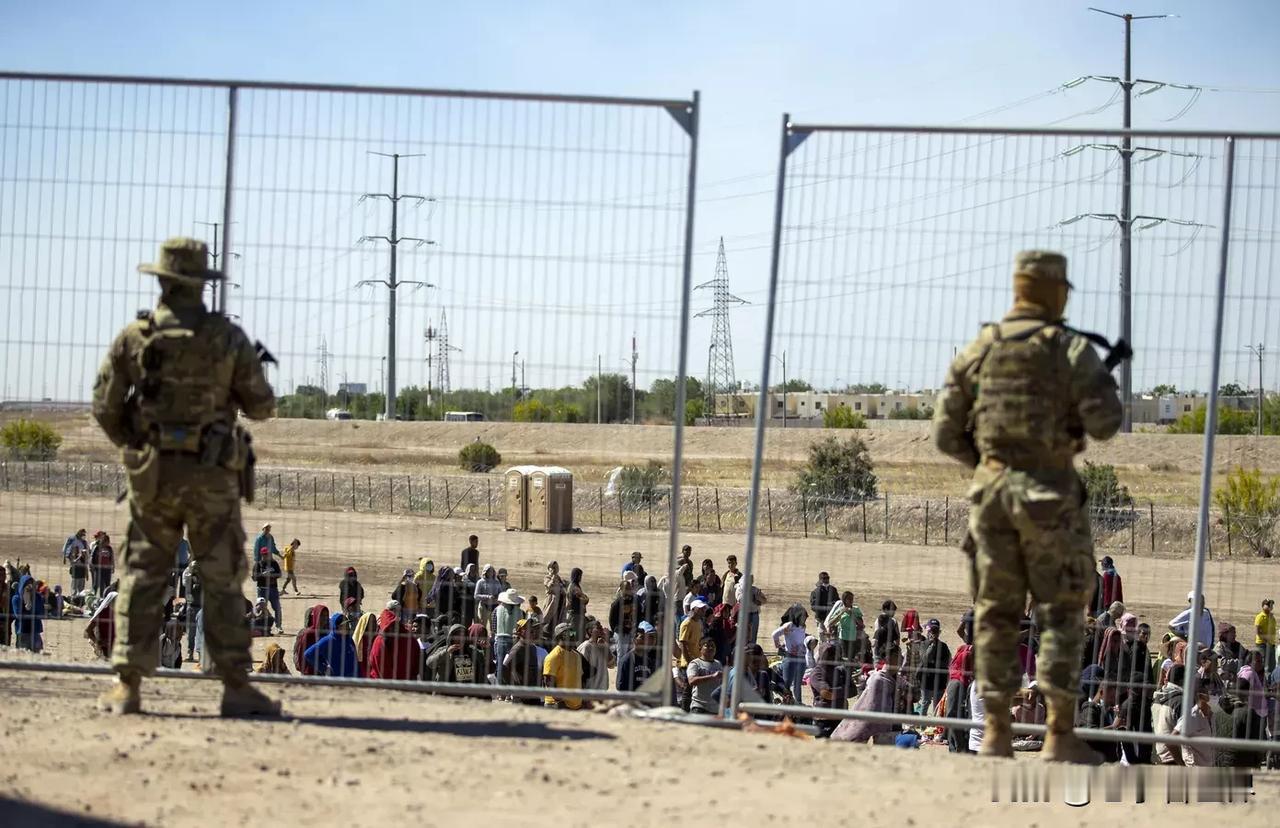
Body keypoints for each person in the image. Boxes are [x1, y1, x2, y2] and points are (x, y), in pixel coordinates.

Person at [932, 250, 1122, 762]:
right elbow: (1106, 422)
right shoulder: (1068, 348)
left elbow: (945, 432)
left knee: (995, 614)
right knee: (1060, 613)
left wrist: (988, 465)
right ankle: (1059, 736)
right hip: (1050, 497)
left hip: (991, 500)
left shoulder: (981, 347)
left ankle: (994, 732)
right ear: (1055, 292)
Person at [92, 243, 282, 714]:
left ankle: (128, 686)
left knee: (142, 574)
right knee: (221, 578)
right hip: (212, 476)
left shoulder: (135, 337)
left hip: (153, 475)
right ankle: (235, 686)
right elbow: (261, 405)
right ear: (203, 284)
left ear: (162, 281)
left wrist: (137, 445)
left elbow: (104, 405)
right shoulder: (226, 337)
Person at [831, 647, 903, 743]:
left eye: (900, 655)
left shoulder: (898, 679)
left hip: (894, 724)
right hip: (876, 725)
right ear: (886, 658)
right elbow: (869, 704)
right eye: (896, 656)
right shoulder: (878, 679)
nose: (900, 658)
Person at [1171, 683, 1216, 767]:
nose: (1211, 696)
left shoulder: (1211, 715)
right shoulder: (1191, 717)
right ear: (1200, 696)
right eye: (1207, 692)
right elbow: (1170, 742)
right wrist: (1181, 765)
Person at [542, 623, 585, 709]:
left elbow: (579, 679)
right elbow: (549, 683)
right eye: (570, 633)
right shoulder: (553, 656)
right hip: (557, 706)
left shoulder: (576, 655)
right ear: (560, 637)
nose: (573, 636)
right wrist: (561, 703)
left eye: (574, 632)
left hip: (575, 706)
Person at [1151, 664, 1186, 765]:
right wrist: (1181, 764)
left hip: (1158, 756)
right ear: (1182, 680)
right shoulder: (1180, 701)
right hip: (1175, 759)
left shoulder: (1158, 697)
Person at [304, 613, 358, 677]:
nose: (347, 627)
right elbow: (308, 654)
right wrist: (324, 668)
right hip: (336, 680)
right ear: (336, 627)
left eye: (347, 625)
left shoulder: (349, 639)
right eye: (343, 625)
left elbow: (355, 659)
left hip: (352, 679)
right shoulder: (328, 640)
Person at [916, 618, 952, 715]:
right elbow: (925, 659)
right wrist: (932, 645)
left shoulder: (943, 646)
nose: (933, 633)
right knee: (925, 702)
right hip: (926, 680)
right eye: (932, 630)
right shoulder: (923, 644)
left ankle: (935, 727)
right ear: (927, 631)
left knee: (938, 706)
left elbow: (948, 662)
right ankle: (921, 725)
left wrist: (933, 662)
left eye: (935, 631)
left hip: (940, 681)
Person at [771, 611, 808, 704]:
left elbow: (800, 638)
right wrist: (778, 644)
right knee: (786, 685)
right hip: (790, 658)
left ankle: (798, 703)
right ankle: (785, 704)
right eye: (803, 616)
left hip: (801, 658)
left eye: (805, 617)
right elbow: (774, 634)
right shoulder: (790, 625)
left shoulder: (803, 626)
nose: (805, 619)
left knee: (797, 684)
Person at [617, 621, 660, 692]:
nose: (646, 641)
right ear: (634, 639)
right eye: (642, 638)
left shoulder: (649, 662)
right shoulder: (626, 661)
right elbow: (620, 686)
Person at [685, 638, 723, 715]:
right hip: (699, 707)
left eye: (713, 646)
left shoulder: (718, 664)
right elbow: (691, 681)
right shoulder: (695, 663)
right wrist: (712, 676)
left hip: (715, 709)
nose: (711, 648)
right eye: (707, 646)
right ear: (700, 648)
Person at [251, 549, 284, 635]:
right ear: (261, 555)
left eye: (267, 554)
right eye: (264, 555)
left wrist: (271, 575)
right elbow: (254, 578)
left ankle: (278, 626)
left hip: (273, 589)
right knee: (259, 608)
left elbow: (279, 574)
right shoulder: (258, 565)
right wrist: (262, 575)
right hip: (262, 589)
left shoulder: (274, 563)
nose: (266, 556)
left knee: (277, 608)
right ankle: (255, 625)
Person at [11, 572, 45, 652]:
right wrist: (26, 602)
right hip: (22, 631)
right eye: (26, 584)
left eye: (31, 583)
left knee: (38, 655)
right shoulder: (16, 598)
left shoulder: (37, 597)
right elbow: (18, 615)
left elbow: (40, 612)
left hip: (35, 631)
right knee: (23, 655)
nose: (29, 586)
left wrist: (31, 601)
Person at [293, 604, 330, 675]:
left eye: (326, 616)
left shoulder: (327, 633)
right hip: (310, 674)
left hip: (324, 673)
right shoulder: (308, 634)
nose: (324, 618)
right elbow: (301, 655)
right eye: (322, 615)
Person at [577, 620, 613, 692]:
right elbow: (581, 669)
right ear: (590, 631)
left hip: (602, 690)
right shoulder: (586, 647)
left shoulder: (602, 645)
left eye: (601, 627)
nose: (601, 629)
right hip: (589, 690)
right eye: (598, 627)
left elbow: (611, 664)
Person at [474, 564, 502, 630]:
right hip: (484, 606)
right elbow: (476, 595)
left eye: (492, 571)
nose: (490, 573)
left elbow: (501, 593)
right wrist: (487, 597)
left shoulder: (496, 582)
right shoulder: (480, 582)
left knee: (494, 626)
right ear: (485, 572)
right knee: (483, 626)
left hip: (495, 606)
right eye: (489, 571)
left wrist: (497, 596)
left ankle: (492, 639)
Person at [564, 567, 589, 641]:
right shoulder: (575, 587)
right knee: (576, 635)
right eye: (580, 576)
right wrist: (586, 598)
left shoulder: (571, 585)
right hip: (576, 615)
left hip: (573, 614)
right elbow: (584, 599)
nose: (580, 578)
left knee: (573, 633)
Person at [1254, 598, 1276, 675]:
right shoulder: (1260, 617)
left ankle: (1270, 683)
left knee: (1272, 666)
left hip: (1271, 644)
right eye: (1268, 604)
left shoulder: (1271, 617)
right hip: (1263, 645)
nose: (1270, 606)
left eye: (1271, 605)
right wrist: (1266, 640)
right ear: (1263, 606)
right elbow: (1258, 632)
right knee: (1264, 665)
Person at [90, 531, 115, 596]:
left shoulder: (109, 548)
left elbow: (112, 557)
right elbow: (92, 557)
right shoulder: (97, 548)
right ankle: (97, 597)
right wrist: (92, 566)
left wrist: (113, 567)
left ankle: (106, 598)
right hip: (99, 569)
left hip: (107, 569)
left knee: (107, 584)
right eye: (107, 542)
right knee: (98, 584)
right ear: (104, 541)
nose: (108, 543)